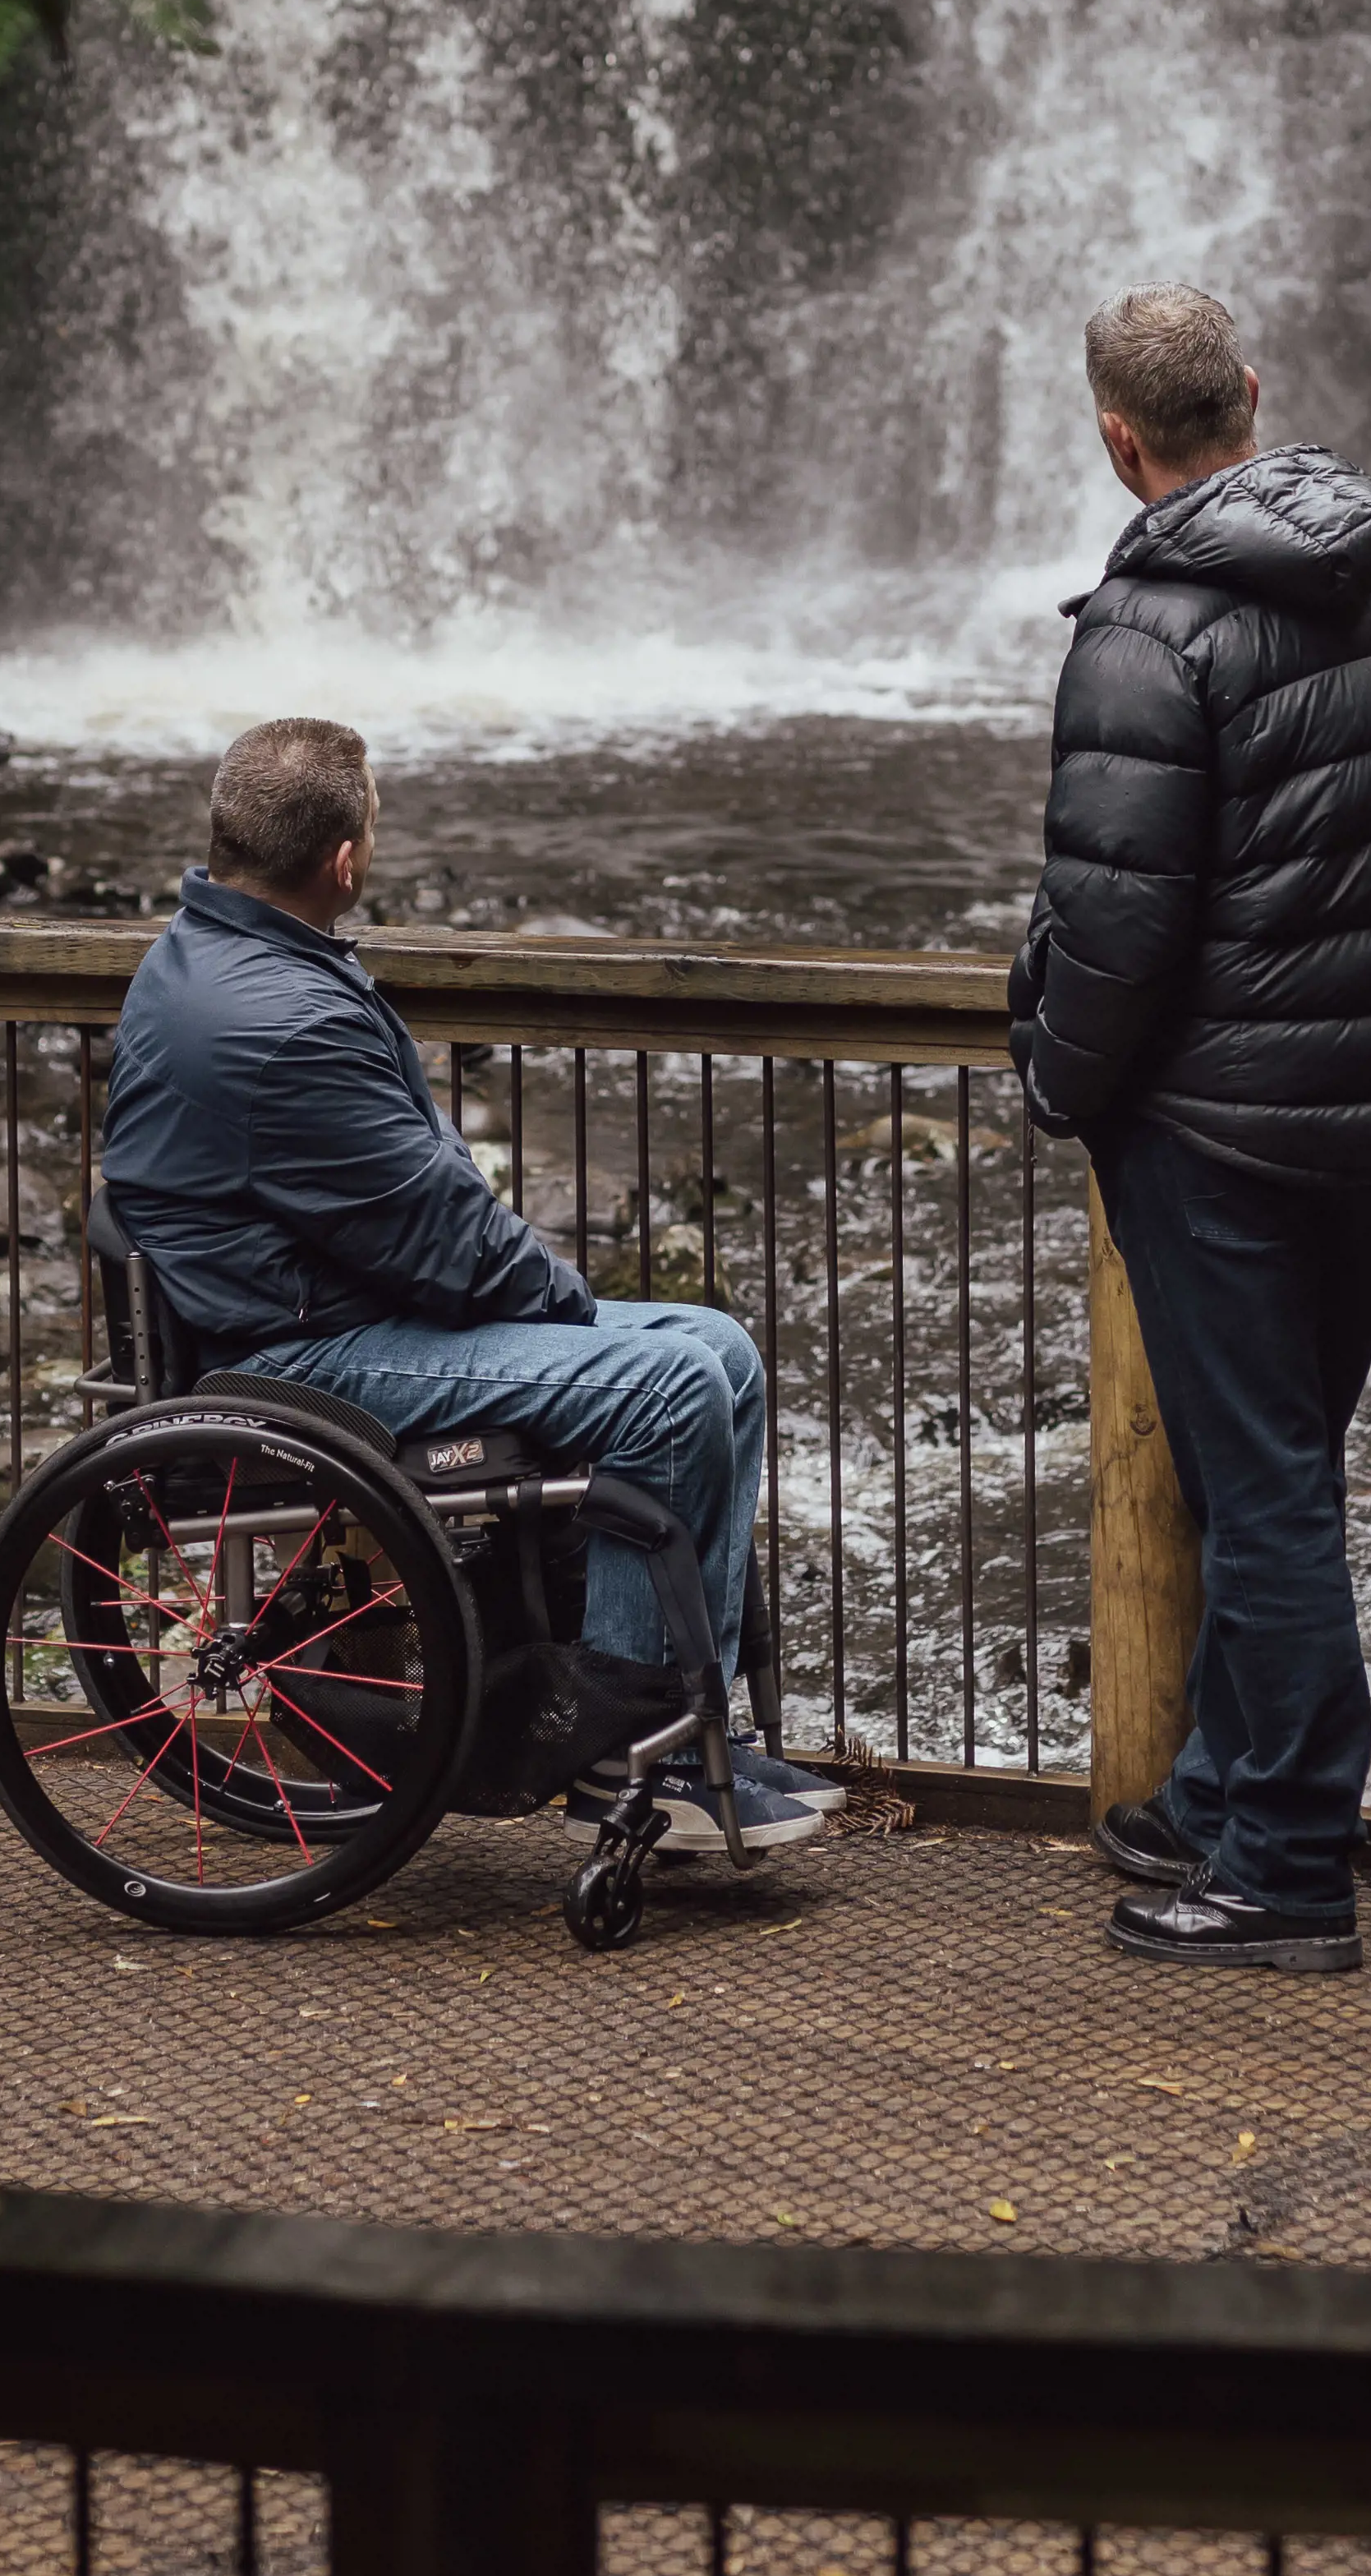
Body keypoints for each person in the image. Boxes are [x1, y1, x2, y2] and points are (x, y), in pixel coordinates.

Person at [100, 717, 839, 1855]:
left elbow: (408, 1212)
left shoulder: (211, 952)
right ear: (344, 861)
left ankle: (690, 1730)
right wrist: (566, 1310)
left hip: (308, 1304)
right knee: (666, 1388)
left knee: (720, 1349)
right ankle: (617, 1759)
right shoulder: (278, 1020)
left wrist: (561, 1311)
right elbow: (441, 1237)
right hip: (303, 1355)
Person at [1010, 287, 1371, 1975]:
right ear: (1254, 395)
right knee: (1263, 1462)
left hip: (1222, 1125)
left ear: (1117, 439)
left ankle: (1283, 1867)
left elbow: (1116, 922)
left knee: (1260, 1486)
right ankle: (1217, 1787)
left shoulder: (1143, 630)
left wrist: (1057, 1075)